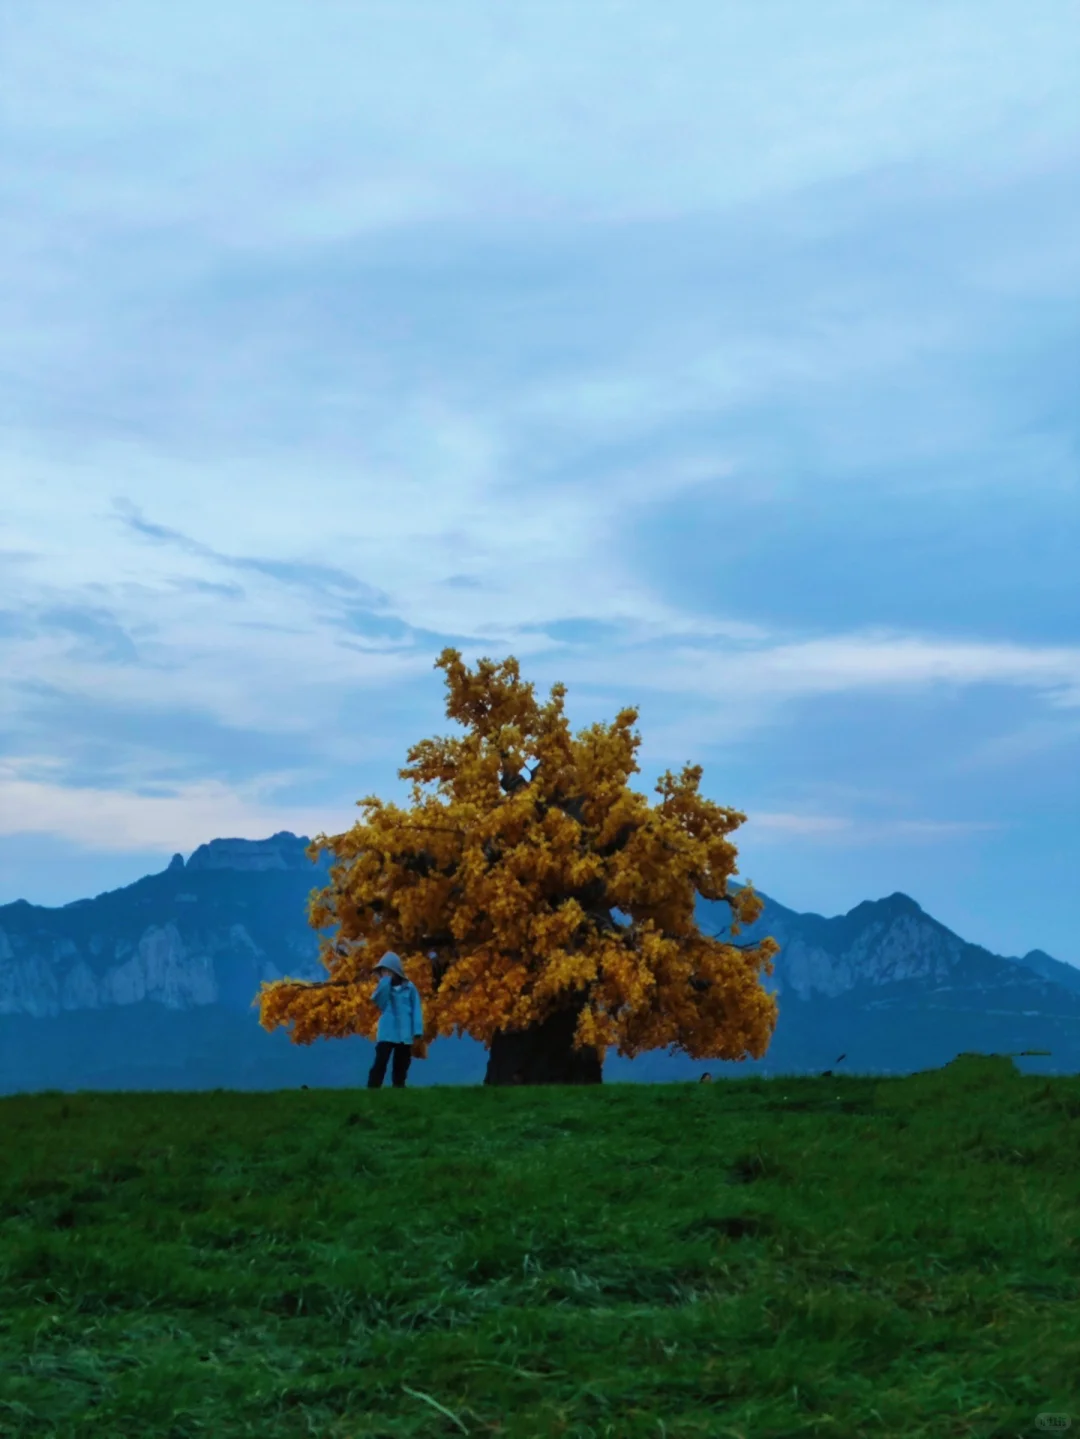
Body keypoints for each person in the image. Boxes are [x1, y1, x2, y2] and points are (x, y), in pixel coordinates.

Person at [367, 952, 424, 1089]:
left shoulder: (410, 988)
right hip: (387, 1032)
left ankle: (399, 1088)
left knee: (401, 1064)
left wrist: (417, 1031)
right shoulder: (383, 987)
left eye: (388, 971)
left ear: (395, 971)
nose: (385, 974)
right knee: (381, 1061)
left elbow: (416, 1009)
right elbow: (379, 1001)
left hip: (405, 1033)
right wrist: (385, 982)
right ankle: (373, 1088)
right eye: (383, 971)